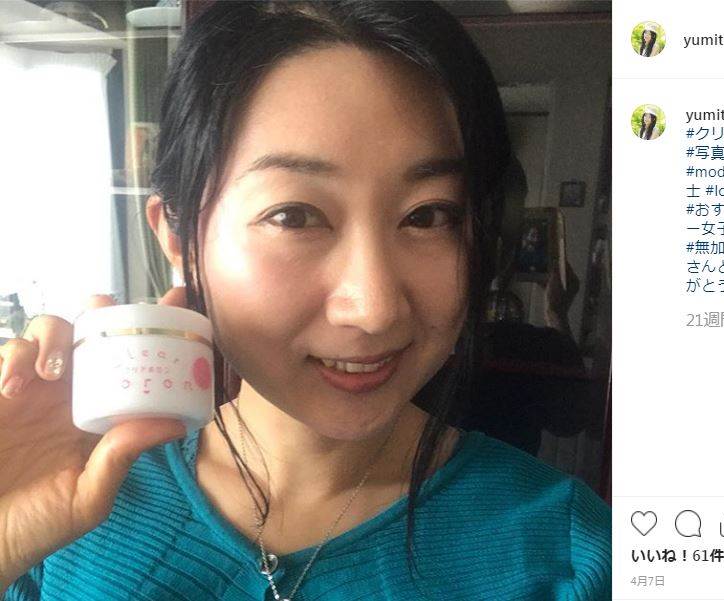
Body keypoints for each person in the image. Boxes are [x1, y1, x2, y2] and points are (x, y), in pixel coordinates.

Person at [0, 2, 611, 600]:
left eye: (429, 215)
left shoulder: (572, 556)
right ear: (180, 239)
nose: (373, 308)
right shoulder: (63, 508)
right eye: (293, 215)